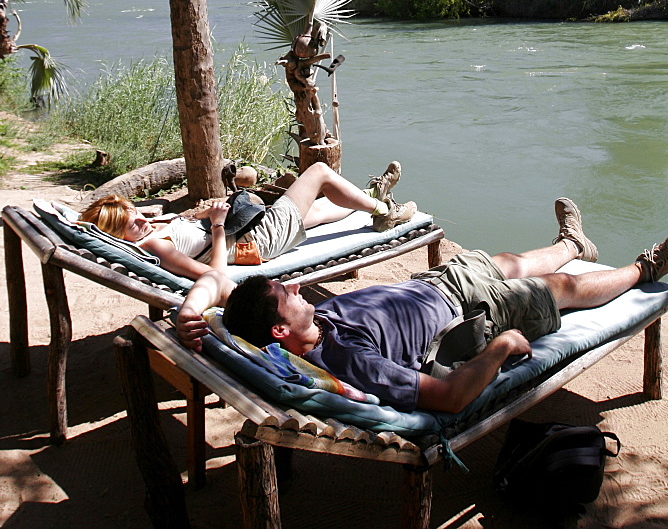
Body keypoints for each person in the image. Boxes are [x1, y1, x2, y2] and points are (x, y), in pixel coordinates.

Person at [175, 197, 668, 414]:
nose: (298, 289)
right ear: (281, 332)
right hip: (471, 317)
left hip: (436, 284)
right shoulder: (351, 363)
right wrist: (498, 349)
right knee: (558, 288)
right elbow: (447, 397)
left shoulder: (283, 327)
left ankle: (572, 243)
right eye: (288, 296)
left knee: (506, 260)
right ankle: (645, 269)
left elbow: (217, 289)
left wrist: (189, 317)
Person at [80, 160, 416, 281]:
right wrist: (215, 223)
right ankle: (384, 212)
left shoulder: (150, 235)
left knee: (313, 211)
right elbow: (213, 275)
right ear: (118, 235)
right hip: (257, 241)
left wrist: (201, 214)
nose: (139, 219)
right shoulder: (154, 245)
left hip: (248, 234)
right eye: (128, 223)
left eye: (134, 211)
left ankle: (368, 198)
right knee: (318, 173)